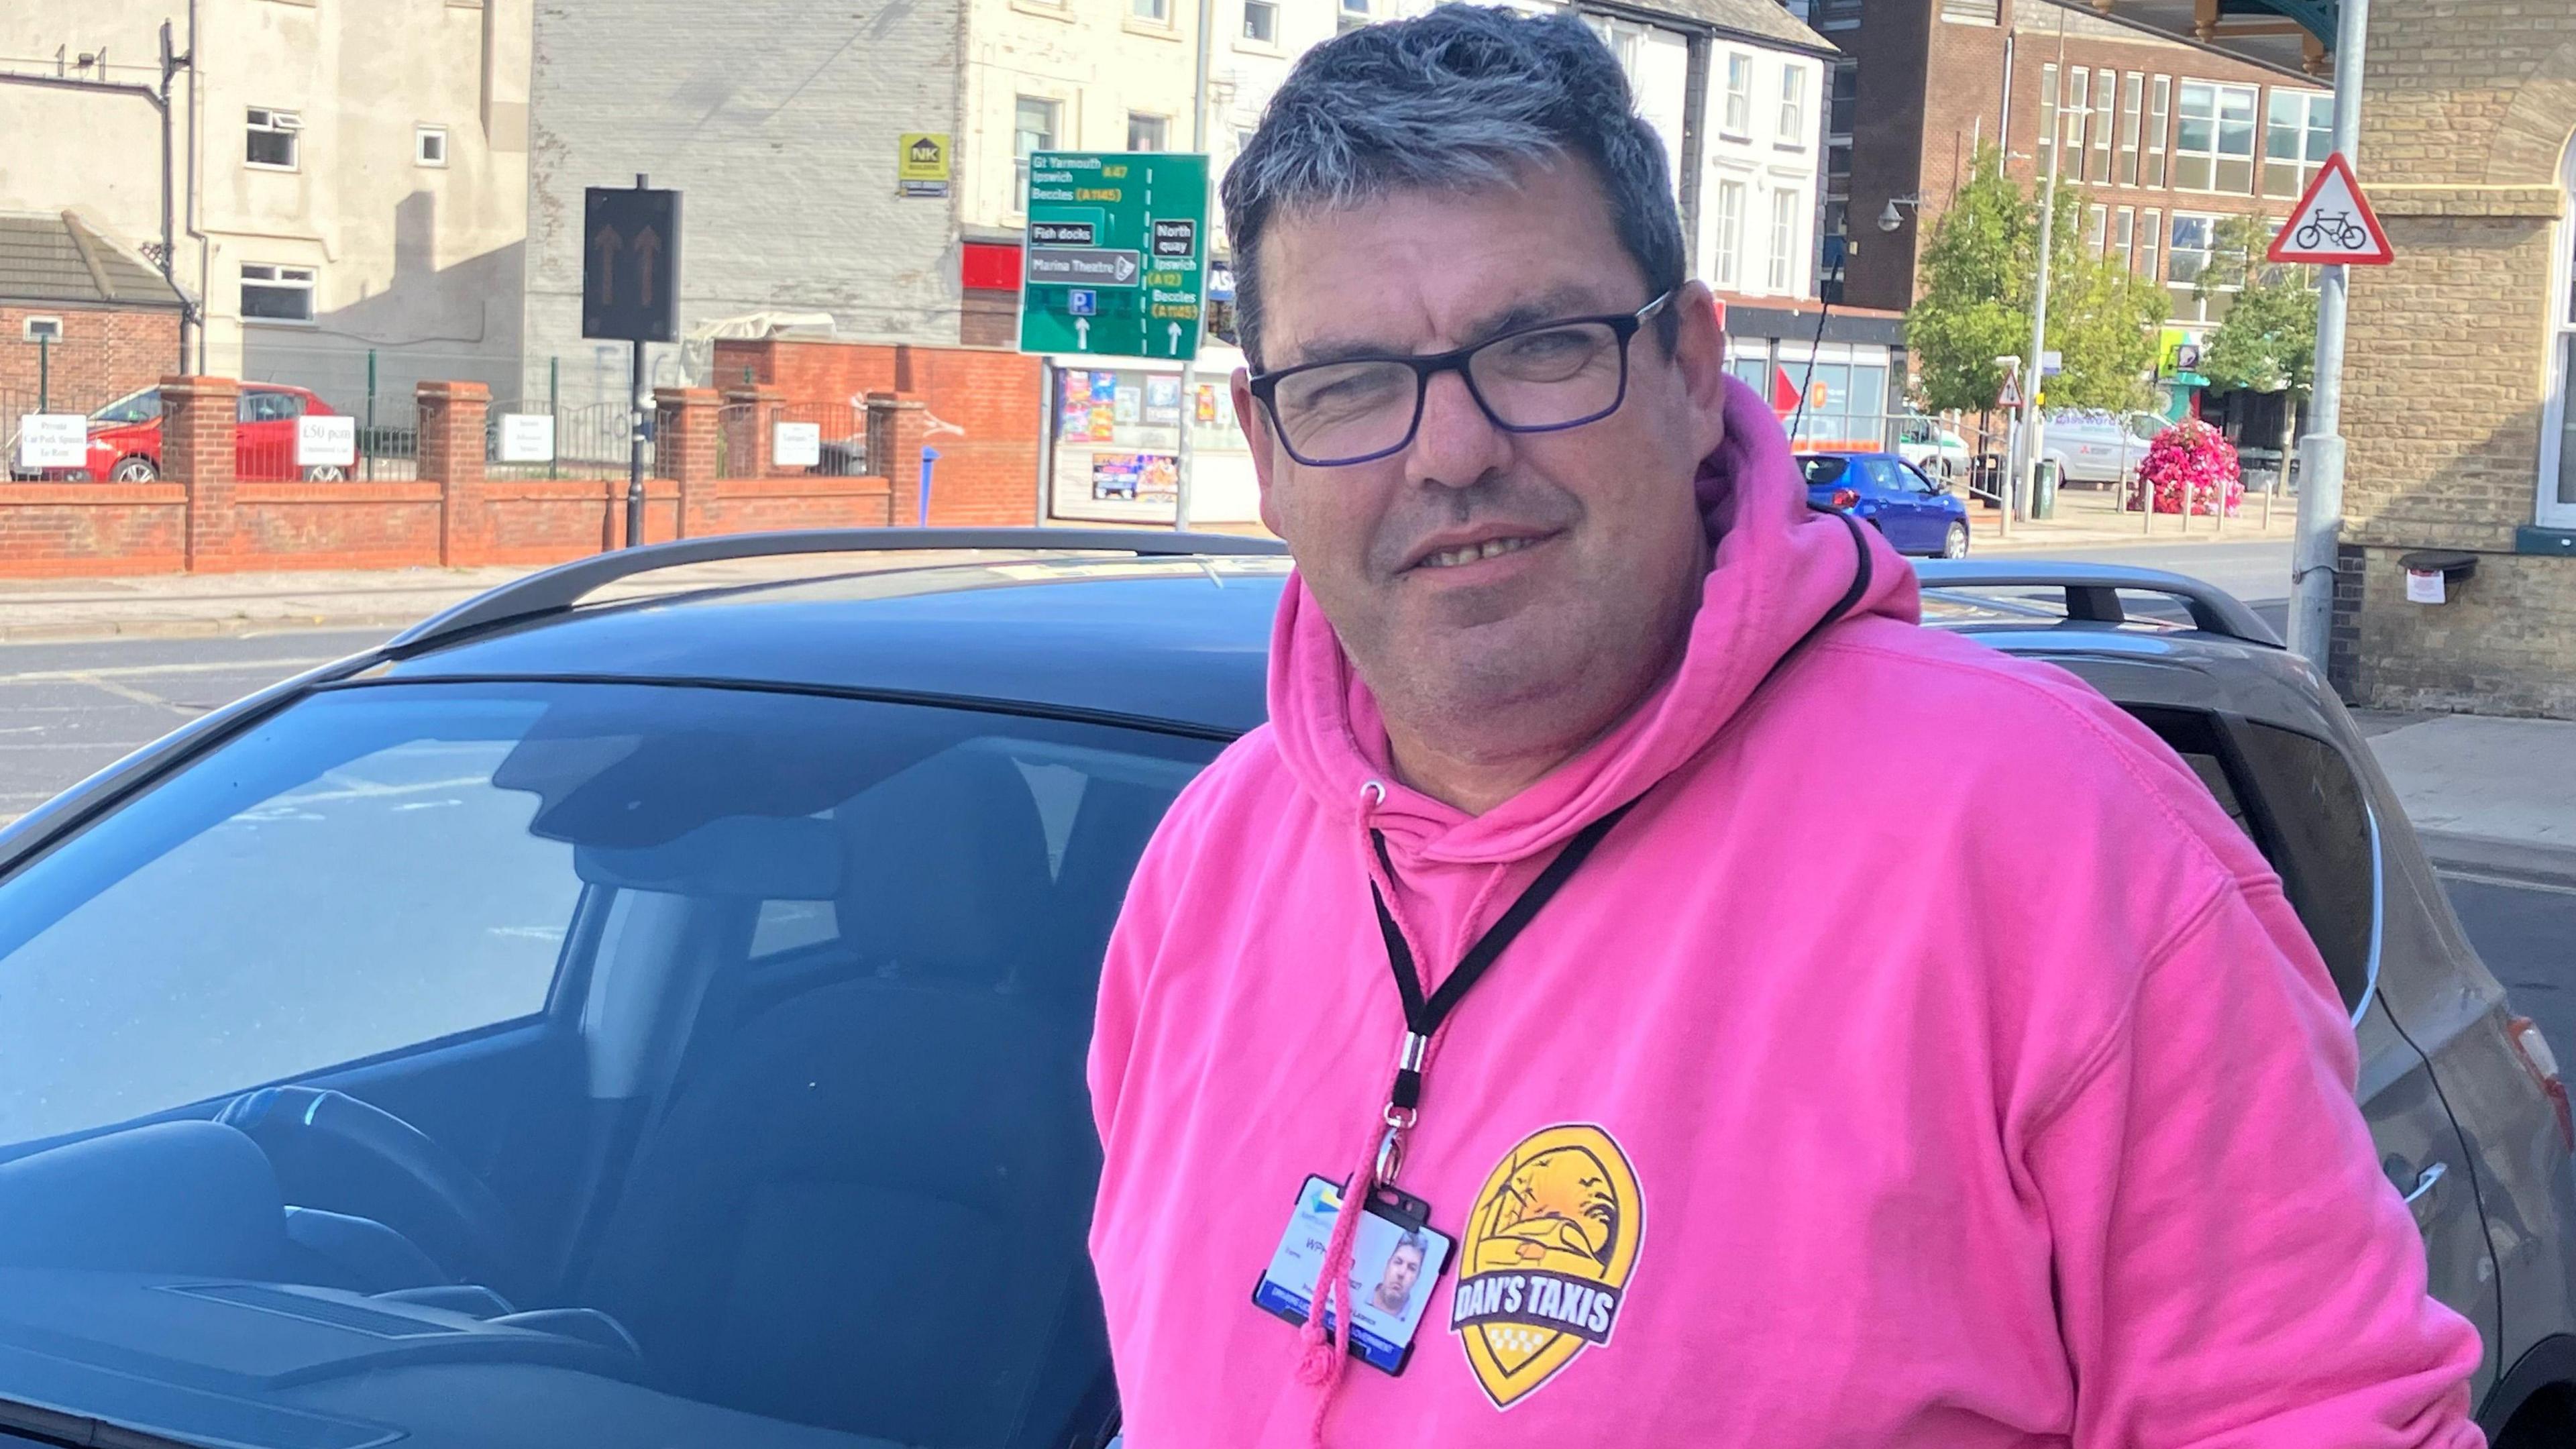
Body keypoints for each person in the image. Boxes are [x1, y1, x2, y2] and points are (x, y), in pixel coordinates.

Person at [1086, 8, 2483, 1446]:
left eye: (1542, 347)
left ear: (1694, 370)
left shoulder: (2049, 840)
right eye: (1352, 384)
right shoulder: (1213, 862)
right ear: (1266, 451)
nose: (1452, 452)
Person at [1368, 1232, 1426, 1319]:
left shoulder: (1416, 1319)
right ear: (1387, 1265)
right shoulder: (1354, 1296)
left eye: (1411, 1268)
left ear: (1417, 1277)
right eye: (1398, 1262)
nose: (1402, 1273)